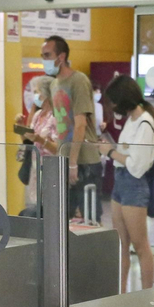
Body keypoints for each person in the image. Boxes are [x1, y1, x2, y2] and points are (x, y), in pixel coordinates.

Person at [99, 75, 154, 293]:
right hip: (120, 184)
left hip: (134, 186)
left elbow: (137, 166)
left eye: (114, 102)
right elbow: (128, 153)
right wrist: (113, 150)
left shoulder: (145, 123)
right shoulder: (132, 119)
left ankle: (146, 294)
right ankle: (120, 293)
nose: (113, 107)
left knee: (140, 246)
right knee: (121, 246)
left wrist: (110, 152)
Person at [41, 36, 101, 221]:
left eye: (47, 55)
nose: (44, 59)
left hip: (84, 161)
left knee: (89, 218)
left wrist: (73, 162)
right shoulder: (53, 84)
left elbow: (80, 124)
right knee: (62, 218)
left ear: (61, 56)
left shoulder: (78, 81)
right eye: (42, 55)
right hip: (64, 159)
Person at [18, 74, 59, 211]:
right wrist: (20, 127)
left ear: (46, 94)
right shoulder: (37, 115)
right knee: (37, 207)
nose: (34, 96)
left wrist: (41, 140)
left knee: (49, 209)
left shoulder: (56, 117)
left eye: (37, 92)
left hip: (50, 170)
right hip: (35, 169)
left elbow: (59, 149)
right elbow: (29, 141)